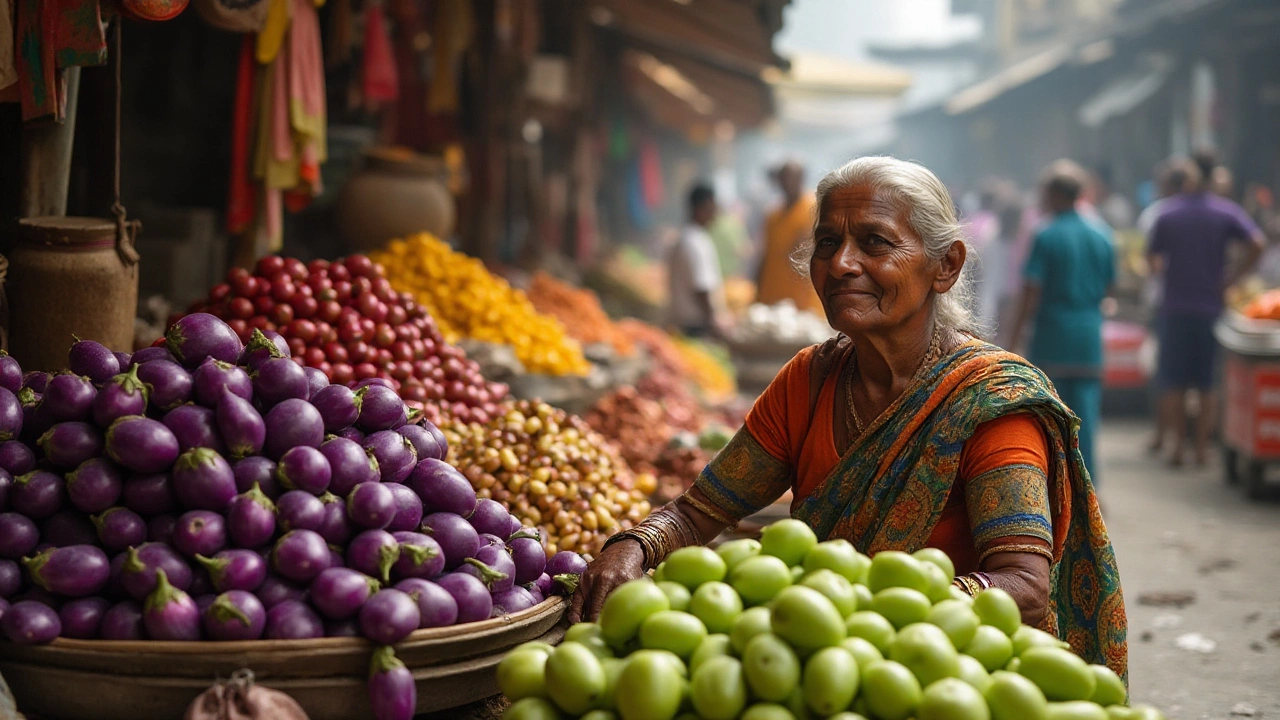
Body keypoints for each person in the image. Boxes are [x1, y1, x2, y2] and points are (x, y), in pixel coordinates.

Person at [572, 156, 1127, 680]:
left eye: (875, 243)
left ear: (945, 267)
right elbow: (699, 512)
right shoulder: (808, 382)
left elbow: (1024, 587)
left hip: (949, 677)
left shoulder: (990, 404)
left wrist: (881, 611)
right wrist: (635, 545)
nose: (840, 264)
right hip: (818, 670)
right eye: (828, 243)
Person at [1148, 157, 1265, 466]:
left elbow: (1152, 259)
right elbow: (1257, 243)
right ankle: (1200, 450)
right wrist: (1231, 278)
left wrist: (1169, 276)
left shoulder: (1168, 212)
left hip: (1174, 308)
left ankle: (1176, 448)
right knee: (1207, 382)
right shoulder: (1226, 212)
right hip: (1210, 308)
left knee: (1173, 380)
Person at [1010, 161, 1116, 482]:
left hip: (1052, 336)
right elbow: (1109, 287)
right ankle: (1088, 486)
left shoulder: (1045, 234)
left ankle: (1057, 485)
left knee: (1051, 416)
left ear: (1055, 194)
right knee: (1087, 416)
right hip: (1088, 337)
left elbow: (1031, 291)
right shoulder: (1102, 234)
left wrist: (1014, 339)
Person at [757, 161, 823, 313]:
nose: (786, 183)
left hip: (804, 299)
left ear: (801, 178)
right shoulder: (773, 216)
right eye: (783, 178)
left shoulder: (813, 210)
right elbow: (766, 255)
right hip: (773, 295)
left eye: (790, 178)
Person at [667, 184, 730, 339]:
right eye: (713, 207)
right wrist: (713, 321)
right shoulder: (695, 241)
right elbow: (701, 287)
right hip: (696, 325)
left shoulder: (686, 237)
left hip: (686, 322)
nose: (715, 213)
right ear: (703, 207)